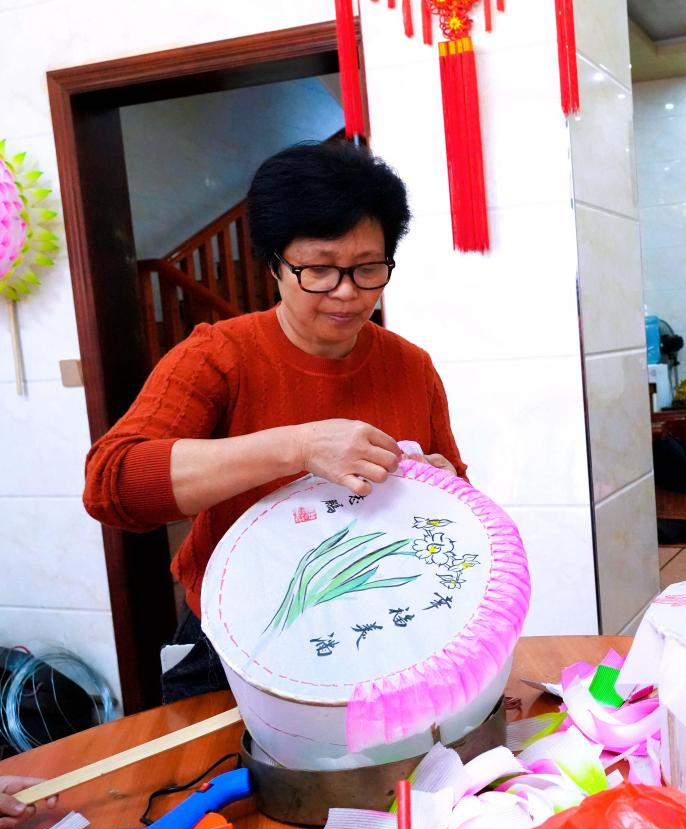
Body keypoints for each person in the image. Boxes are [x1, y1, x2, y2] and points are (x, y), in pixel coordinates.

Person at [84, 141, 465, 702]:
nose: (347, 292)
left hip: (377, 634)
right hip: (234, 647)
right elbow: (112, 484)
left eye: (368, 268)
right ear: (274, 266)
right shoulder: (219, 356)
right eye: (319, 270)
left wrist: (442, 490)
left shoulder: (411, 367)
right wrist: (300, 447)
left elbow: (456, 507)